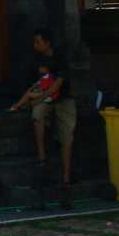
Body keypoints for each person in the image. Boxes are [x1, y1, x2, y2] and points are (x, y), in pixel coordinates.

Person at [10, 27, 76, 207]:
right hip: (44, 97)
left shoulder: (60, 58)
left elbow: (57, 86)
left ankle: (66, 180)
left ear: (47, 42)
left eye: (38, 41)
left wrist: (38, 98)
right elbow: (35, 85)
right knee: (37, 115)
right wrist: (22, 103)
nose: (35, 45)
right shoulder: (35, 60)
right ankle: (42, 158)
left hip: (63, 98)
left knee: (67, 135)